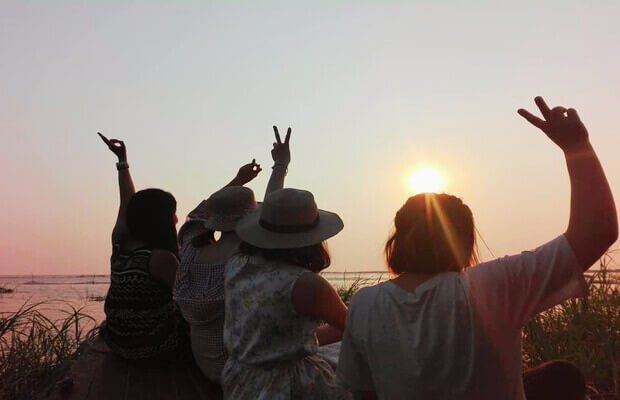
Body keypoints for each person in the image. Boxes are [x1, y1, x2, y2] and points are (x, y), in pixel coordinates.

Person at [337, 97, 617, 400]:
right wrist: (577, 146)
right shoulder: (490, 286)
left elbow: (365, 394)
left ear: (397, 242)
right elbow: (597, 231)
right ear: (464, 242)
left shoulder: (364, 305)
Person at [173, 126, 291, 383]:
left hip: (206, 365)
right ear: (252, 219)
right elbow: (273, 207)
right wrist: (280, 165)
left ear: (214, 220)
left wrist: (237, 181)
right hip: (240, 372)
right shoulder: (246, 258)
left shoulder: (191, 248)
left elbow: (197, 214)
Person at [222, 187, 349, 399]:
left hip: (240, 380)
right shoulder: (305, 284)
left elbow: (273, 338)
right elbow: (351, 326)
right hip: (290, 386)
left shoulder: (236, 265)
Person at [97, 133, 182, 361]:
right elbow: (190, 302)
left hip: (117, 341)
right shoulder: (161, 259)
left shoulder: (120, 245)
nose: (176, 220)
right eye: (173, 214)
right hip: (152, 347)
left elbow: (127, 201)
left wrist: (122, 162)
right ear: (162, 219)